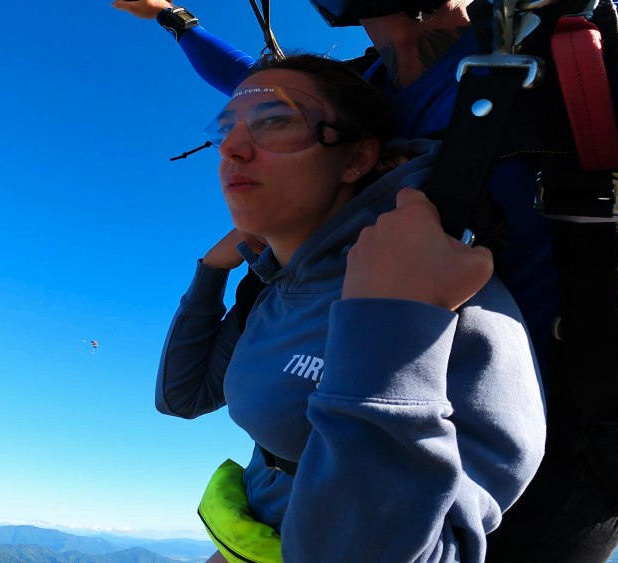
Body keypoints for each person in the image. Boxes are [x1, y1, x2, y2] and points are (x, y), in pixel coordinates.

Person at [114, 0, 618, 561]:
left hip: (553, 480)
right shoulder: (371, 89)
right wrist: (178, 22)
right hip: (350, 454)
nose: (237, 147)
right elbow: (255, 93)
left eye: (275, 123)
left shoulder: (604, 48)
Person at [155, 54, 546, 563]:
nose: (230, 147)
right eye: (225, 128)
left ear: (357, 158)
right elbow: (181, 397)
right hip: (249, 541)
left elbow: (434, 548)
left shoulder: (439, 289)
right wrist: (211, 271)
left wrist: (393, 323)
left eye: (276, 121)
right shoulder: (272, 289)